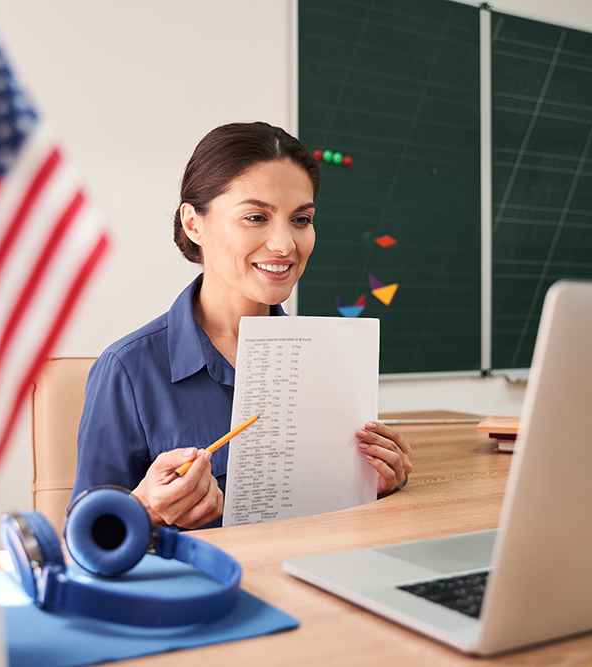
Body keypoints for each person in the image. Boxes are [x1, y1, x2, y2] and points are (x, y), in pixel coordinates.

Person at [71, 122, 413, 529]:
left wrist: (377, 489)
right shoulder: (127, 369)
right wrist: (143, 512)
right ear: (194, 224)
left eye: (301, 219)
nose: (285, 244)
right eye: (256, 217)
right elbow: (83, 544)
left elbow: (333, 525)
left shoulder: (331, 361)